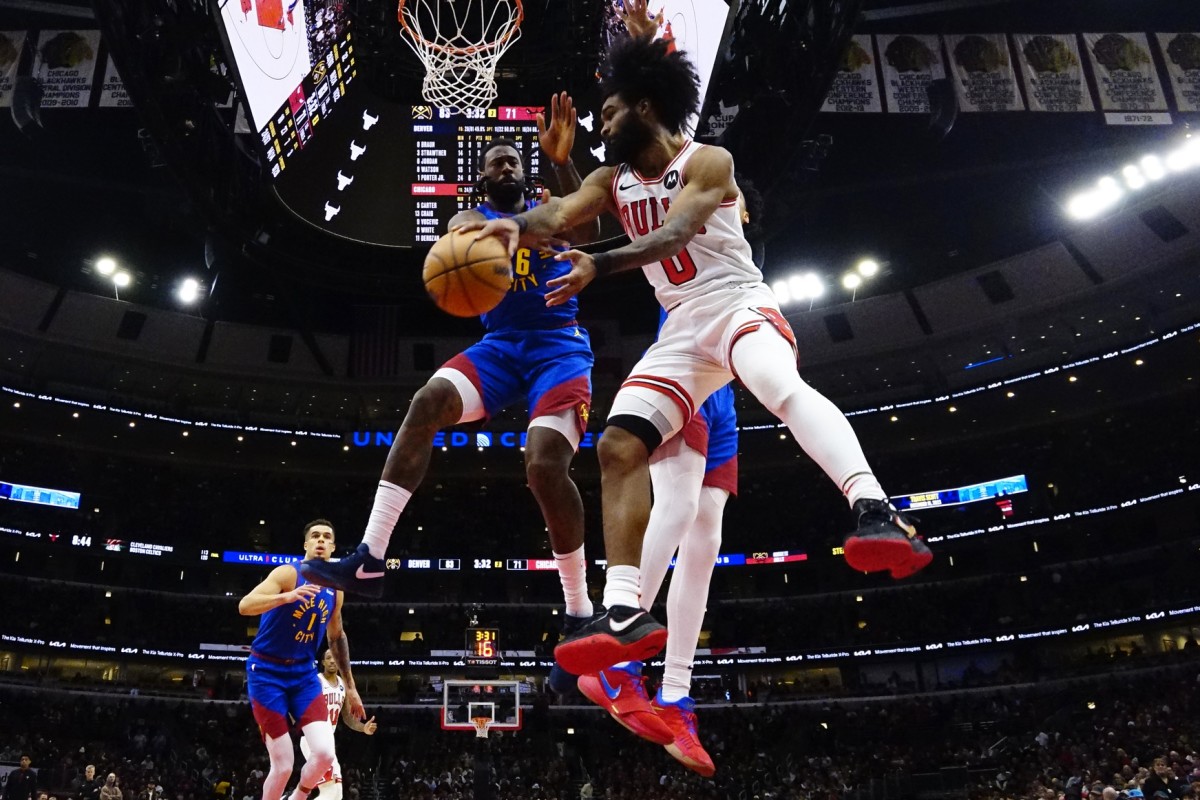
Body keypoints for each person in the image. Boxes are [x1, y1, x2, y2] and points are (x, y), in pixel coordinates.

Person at [461, 34, 932, 676]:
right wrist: (512, 225)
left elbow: (674, 232)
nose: (601, 127)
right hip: (681, 330)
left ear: (646, 107)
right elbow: (566, 211)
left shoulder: (708, 160)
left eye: (609, 114)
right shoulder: (611, 178)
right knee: (619, 443)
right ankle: (624, 608)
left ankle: (875, 509)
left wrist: (598, 264)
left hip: (736, 303)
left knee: (776, 384)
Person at [301, 94, 601, 668]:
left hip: (558, 348)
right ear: (482, 179)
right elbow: (470, 232)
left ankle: (580, 610)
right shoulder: (467, 220)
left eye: (514, 159)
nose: (507, 166)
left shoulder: (554, 203)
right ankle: (370, 556)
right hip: (500, 349)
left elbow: (585, 226)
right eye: (496, 163)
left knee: (542, 465)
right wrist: (524, 227)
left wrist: (563, 164)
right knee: (428, 399)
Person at [577, 187, 759, 778]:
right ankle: (617, 657)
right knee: (676, 510)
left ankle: (678, 696)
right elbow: (612, 209)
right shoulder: (680, 223)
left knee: (705, 546)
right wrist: (565, 171)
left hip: (723, 395)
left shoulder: (741, 248)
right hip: (681, 373)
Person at [238, 520, 365, 800]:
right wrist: (286, 597)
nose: (321, 540)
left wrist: (352, 688)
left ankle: (298, 797)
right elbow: (245, 605)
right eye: (315, 536)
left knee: (323, 754)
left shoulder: (335, 588)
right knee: (283, 765)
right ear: (306, 544)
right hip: (267, 672)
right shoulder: (287, 574)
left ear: (332, 547)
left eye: (327, 537)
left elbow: (337, 637)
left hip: (304, 676)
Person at [298, 649, 379, 800]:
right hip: (313, 741)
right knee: (330, 791)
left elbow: (347, 718)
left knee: (336, 794)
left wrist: (364, 728)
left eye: (335, 657)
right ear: (322, 662)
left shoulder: (343, 685)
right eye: (328, 658)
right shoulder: (315, 681)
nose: (332, 661)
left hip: (328, 743)